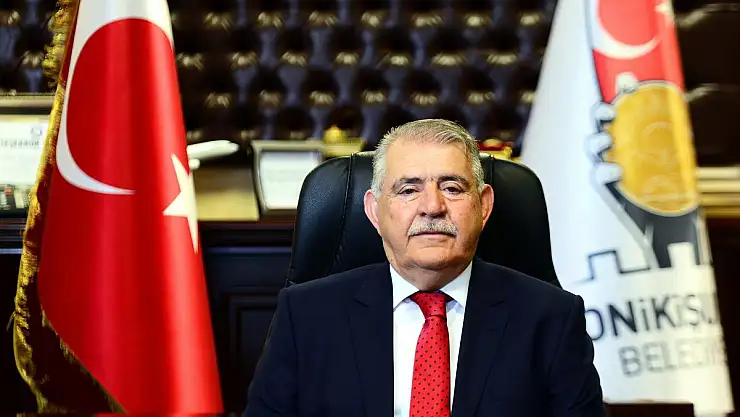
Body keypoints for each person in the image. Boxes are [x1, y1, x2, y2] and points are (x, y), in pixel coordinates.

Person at [244, 119, 605, 417]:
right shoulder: (306, 315)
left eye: (452, 188)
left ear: (483, 206)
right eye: (408, 190)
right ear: (374, 211)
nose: (432, 206)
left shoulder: (552, 318)